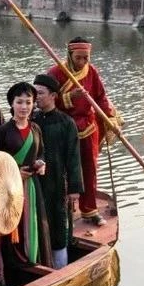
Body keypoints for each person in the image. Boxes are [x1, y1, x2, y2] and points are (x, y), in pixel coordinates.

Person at [47, 37, 117, 226]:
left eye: (86, 58)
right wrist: (69, 97)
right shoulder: (55, 73)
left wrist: (109, 118)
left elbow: (101, 97)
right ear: (70, 55)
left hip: (88, 126)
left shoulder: (91, 71)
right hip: (65, 128)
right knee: (63, 169)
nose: (83, 62)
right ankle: (64, 208)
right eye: (79, 58)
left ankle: (89, 209)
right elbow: (46, 101)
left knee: (90, 169)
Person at [0, 82, 53, 285]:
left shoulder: (35, 128)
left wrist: (41, 163)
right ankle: (15, 272)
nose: (24, 107)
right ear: (12, 104)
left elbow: (41, 151)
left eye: (28, 102)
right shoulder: (2, 132)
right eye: (20, 102)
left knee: (34, 222)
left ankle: (35, 261)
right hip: (10, 189)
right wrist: (15, 173)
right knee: (13, 229)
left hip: (32, 187)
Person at [32, 74, 83, 269]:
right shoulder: (31, 119)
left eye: (40, 93)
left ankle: (60, 266)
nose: (36, 97)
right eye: (34, 93)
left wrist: (74, 189)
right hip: (35, 182)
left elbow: (73, 157)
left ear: (53, 95)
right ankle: (37, 263)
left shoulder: (66, 123)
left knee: (58, 223)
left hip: (56, 182)